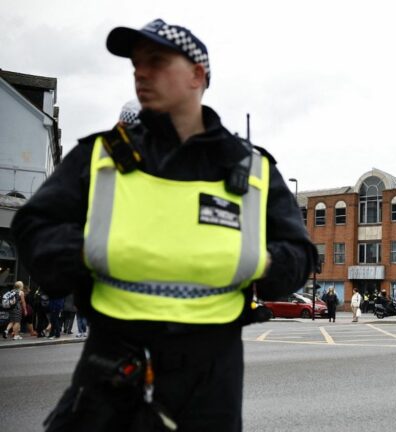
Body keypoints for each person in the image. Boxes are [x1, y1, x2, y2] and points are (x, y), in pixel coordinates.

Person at [11, 18, 316, 431]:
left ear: (197, 75)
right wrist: (90, 250)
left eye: (156, 61)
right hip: (112, 365)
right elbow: (32, 227)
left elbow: (300, 258)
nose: (141, 72)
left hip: (209, 379)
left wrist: (255, 261)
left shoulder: (250, 168)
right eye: (136, 64)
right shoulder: (102, 156)